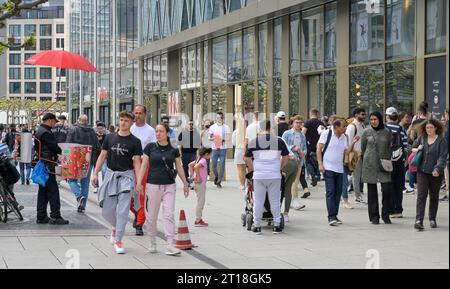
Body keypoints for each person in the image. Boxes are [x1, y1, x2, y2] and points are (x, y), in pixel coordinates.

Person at [92, 111, 142, 254]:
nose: (123, 122)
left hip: (127, 177)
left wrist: (138, 182)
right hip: (111, 175)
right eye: (121, 120)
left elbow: (137, 163)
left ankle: (119, 239)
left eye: (126, 120)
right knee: (107, 211)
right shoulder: (109, 137)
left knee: (123, 211)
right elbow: (102, 156)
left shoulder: (135, 141)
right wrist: (95, 173)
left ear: (131, 123)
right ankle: (115, 227)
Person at [135, 123, 190, 256]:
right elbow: (143, 165)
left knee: (169, 214)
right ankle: (152, 242)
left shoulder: (174, 149)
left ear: (167, 133)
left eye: (161, 131)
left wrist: (185, 183)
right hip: (152, 185)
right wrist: (139, 182)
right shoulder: (150, 147)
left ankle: (170, 244)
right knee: (151, 217)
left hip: (169, 185)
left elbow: (179, 166)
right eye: (157, 131)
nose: (158, 134)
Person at [244, 120, 289, 235]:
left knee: (258, 201)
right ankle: (277, 225)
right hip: (274, 175)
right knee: (275, 200)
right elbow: (286, 158)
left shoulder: (254, 141)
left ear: (260, 128)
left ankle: (257, 226)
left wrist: (254, 168)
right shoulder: (278, 141)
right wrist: (279, 168)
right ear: (271, 128)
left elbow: (246, 158)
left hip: (259, 175)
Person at [318, 118, 359, 226]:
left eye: (345, 126)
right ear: (336, 126)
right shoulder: (326, 134)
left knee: (338, 192)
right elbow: (319, 149)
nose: (345, 128)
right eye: (343, 126)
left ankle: (335, 215)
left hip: (339, 168)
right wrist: (320, 164)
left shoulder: (344, 137)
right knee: (331, 192)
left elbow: (346, 152)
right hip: (328, 168)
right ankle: (331, 216)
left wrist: (353, 143)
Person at [412, 119, 448, 231]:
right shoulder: (422, 138)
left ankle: (432, 218)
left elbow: (443, 157)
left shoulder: (442, 141)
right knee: (421, 196)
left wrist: (437, 169)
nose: (429, 130)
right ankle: (419, 220)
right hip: (422, 171)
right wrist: (417, 149)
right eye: (427, 128)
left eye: (431, 127)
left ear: (436, 128)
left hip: (436, 174)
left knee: (434, 196)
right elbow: (411, 148)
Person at [34, 113, 69, 225]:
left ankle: (41, 216)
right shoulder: (46, 132)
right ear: (49, 120)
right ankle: (55, 216)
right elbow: (54, 147)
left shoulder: (39, 130)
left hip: (44, 163)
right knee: (53, 191)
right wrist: (62, 152)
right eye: (54, 121)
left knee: (43, 191)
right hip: (49, 164)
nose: (55, 123)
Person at [361, 111, 392, 225]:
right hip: (370, 165)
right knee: (372, 192)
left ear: (380, 119)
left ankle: (386, 215)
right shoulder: (366, 132)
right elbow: (363, 148)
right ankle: (374, 217)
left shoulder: (387, 132)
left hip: (383, 164)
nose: (373, 121)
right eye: (371, 119)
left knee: (387, 190)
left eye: (375, 119)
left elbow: (389, 147)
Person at [130, 105, 156, 236]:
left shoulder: (150, 131)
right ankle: (136, 213)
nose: (137, 116)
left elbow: (153, 149)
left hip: (144, 163)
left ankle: (139, 223)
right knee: (127, 194)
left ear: (145, 114)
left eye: (140, 113)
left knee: (140, 193)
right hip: (128, 164)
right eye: (135, 113)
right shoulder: (129, 128)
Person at [66, 115, 101, 214]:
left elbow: (68, 144)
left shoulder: (73, 130)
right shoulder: (92, 132)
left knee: (71, 179)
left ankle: (79, 196)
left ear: (78, 120)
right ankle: (82, 206)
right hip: (88, 160)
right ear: (86, 122)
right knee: (85, 183)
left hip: (75, 159)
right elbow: (97, 147)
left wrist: (64, 159)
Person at [384, 107, 408, 219]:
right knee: (398, 186)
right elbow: (406, 145)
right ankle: (398, 210)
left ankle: (389, 209)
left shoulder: (384, 128)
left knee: (388, 185)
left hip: (387, 161)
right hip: (399, 161)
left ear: (387, 116)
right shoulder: (401, 128)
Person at [282, 115, 307, 210]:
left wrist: (302, 153)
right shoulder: (287, 134)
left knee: (295, 182)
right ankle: (291, 200)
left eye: (300, 123)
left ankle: (295, 201)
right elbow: (283, 145)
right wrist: (293, 147)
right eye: (296, 122)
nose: (298, 124)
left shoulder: (302, 135)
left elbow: (305, 148)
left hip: (299, 161)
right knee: (288, 182)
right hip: (288, 161)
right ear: (293, 123)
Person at [346, 108, 366, 204]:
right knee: (356, 176)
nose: (364, 116)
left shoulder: (361, 125)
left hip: (359, 154)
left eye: (364, 114)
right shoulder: (352, 127)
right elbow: (348, 142)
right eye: (362, 114)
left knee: (355, 176)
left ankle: (356, 194)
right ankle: (357, 197)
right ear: (356, 115)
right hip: (354, 155)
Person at [190, 147, 213, 227]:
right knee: (201, 201)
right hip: (200, 183)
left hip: (197, 183)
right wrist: (198, 176)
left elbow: (190, 165)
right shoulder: (203, 161)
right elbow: (196, 167)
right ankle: (198, 220)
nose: (210, 156)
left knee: (200, 200)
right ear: (206, 154)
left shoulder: (198, 159)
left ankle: (198, 218)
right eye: (210, 154)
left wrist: (193, 175)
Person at [302, 109, 325, 186]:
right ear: (317, 114)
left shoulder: (307, 123)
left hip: (309, 145)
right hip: (320, 145)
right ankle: (318, 175)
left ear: (310, 114)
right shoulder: (321, 123)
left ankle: (312, 175)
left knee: (308, 161)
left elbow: (303, 133)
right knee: (319, 160)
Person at [209, 112, 231, 188]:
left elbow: (228, 138)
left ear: (223, 118)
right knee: (213, 167)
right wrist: (214, 139)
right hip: (214, 148)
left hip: (223, 149)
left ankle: (219, 182)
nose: (219, 119)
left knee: (222, 166)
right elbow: (209, 137)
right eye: (217, 117)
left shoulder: (226, 127)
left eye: (220, 117)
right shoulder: (212, 127)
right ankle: (217, 176)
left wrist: (222, 139)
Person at [178, 120, 201, 189]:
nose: (191, 125)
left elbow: (198, 145)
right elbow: (180, 144)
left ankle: (192, 181)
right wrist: (180, 153)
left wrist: (198, 154)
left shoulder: (196, 134)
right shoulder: (183, 133)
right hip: (184, 153)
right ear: (187, 125)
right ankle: (187, 182)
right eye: (189, 124)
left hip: (193, 153)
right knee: (185, 168)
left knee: (193, 167)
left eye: (192, 124)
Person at [233, 116, 247, 191]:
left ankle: (242, 185)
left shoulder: (236, 132)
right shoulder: (246, 131)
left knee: (239, 169)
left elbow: (233, 142)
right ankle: (245, 183)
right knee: (244, 169)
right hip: (245, 150)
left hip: (238, 150)